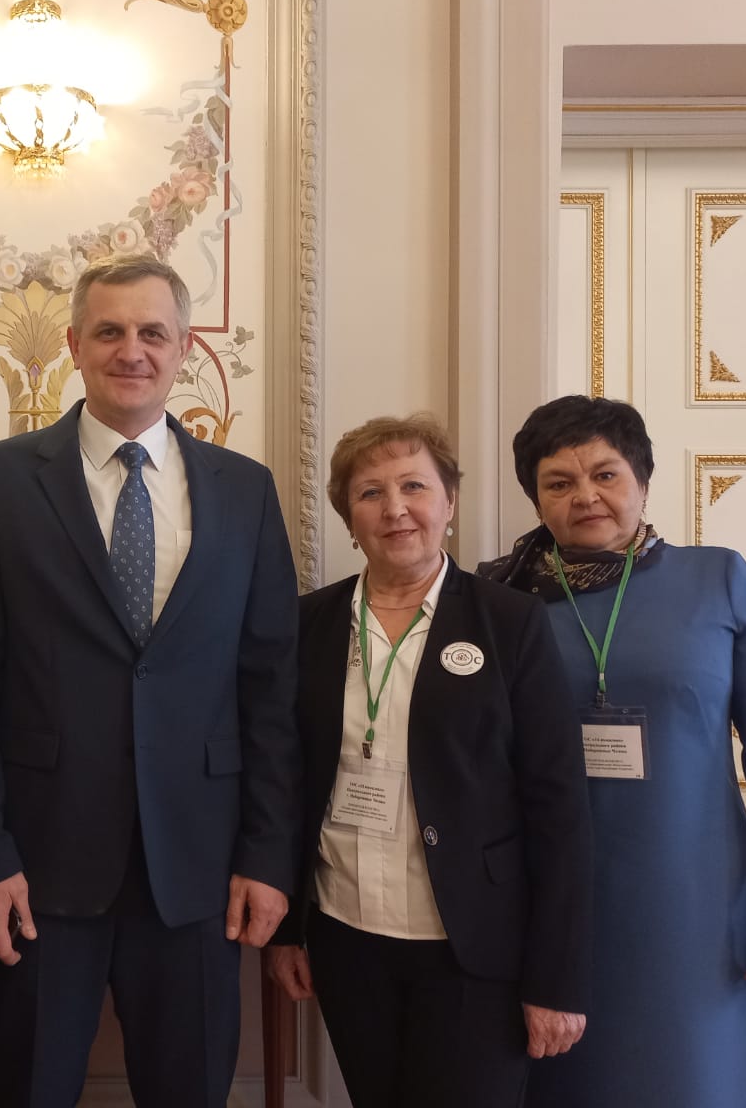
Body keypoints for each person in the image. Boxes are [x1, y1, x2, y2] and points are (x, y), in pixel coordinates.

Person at [0, 252, 300, 1108]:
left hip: (201, 871)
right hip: (39, 868)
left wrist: (267, 854)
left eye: (152, 333)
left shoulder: (245, 491)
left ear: (184, 349)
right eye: (109, 331)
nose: (131, 350)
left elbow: (271, 688)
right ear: (73, 345)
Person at [478, 395, 746, 1108]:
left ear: (642, 481)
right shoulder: (500, 600)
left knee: (691, 1078)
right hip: (546, 902)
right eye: (559, 482)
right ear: (536, 499)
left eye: (605, 474)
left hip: (692, 902)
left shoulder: (717, 579)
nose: (586, 496)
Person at [265, 413, 593, 1108]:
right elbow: (285, 786)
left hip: (476, 947)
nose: (395, 509)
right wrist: (289, 930)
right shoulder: (306, 625)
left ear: (450, 503)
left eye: (414, 486)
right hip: (346, 934)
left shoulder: (510, 622)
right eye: (370, 493)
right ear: (348, 518)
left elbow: (559, 807)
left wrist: (556, 978)